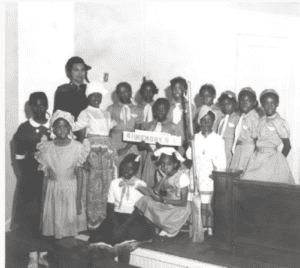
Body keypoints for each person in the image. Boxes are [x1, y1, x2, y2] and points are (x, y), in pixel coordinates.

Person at [88, 153, 154, 264]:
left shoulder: (140, 184)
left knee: (123, 244)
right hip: (115, 217)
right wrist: (116, 225)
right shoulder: (114, 183)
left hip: (132, 219)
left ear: (136, 170)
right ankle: (107, 264)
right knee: (102, 242)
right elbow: (110, 208)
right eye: (123, 168)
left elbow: (138, 210)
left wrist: (122, 227)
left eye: (130, 169)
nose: (126, 171)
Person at [35, 110, 89, 240]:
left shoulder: (77, 147)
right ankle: (56, 250)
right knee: (56, 226)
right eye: (58, 127)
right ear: (53, 129)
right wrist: (42, 199)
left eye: (65, 126)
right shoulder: (47, 148)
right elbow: (45, 176)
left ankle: (69, 250)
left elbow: (80, 175)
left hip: (70, 190)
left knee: (69, 225)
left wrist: (78, 200)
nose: (62, 129)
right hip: (53, 191)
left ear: (70, 128)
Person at [73, 81, 119, 232]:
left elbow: (109, 133)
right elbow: (80, 138)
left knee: (107, 185)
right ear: (88, 97)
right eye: (94, 95)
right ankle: (93, 220)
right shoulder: (85, 113)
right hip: (92, 153)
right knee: (93, 186)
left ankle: (106, 218)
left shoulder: (106, 113)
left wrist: (112, 153)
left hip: (106, 154)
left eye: (99, 96)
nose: (97, 98)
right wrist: (84, 158)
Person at [14, 92, 51, 268]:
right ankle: (32, 255)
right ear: (29, 106)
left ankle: (43, 251)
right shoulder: (24, 128)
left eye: (42, 105)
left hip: (50, 178)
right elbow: (19, 157)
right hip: (31, 179)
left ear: (47, 105)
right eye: (35, 105)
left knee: (46, 215)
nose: (39, 109)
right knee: (31, 216)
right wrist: (23, 177)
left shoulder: (55, 125)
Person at [187, 106, 226, 235]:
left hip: (209, 174)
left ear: (213, 122)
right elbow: (189, 156)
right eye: (203, 120)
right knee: (196, 200)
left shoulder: (217, 139)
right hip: (197, 172)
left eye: (209, 121)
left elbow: (221, 162)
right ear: (199, 121)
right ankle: (197, 227)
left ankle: (209, 227)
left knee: (207, 201)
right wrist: (190, 143)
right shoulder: (195, 137)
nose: (206, 123)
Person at [135, 147, 191, 238]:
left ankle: (172, 228)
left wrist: (163, 200)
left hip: (179, 207)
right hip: (166, 203)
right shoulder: (161, 174)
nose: (165, 167)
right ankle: (165, 226)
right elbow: (155, 191)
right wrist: (163, 178)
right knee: (145, 199)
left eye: (169, 164)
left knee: (164, 207)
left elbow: (183, 202)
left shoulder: (182, 177)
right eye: (162, 164)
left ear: (175, 164)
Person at [243, 89, 295, 184]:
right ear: (262, 104)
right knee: (249, 184)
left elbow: (287, 146)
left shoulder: (280, 122)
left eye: (272, 103)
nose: (269, 106)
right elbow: (256, 139)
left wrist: (279, 161)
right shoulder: (260, 120)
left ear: (277, 104)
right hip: (257, 159)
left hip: (272, 159)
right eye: (266, 103)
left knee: (271, 189)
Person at [138, 98, 179, 187]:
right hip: (150, 158)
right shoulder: (149, 125)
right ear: (154, 110)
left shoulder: (172, 127)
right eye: (158, 109)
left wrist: (164, 147)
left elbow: (176, 147)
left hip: (165, 161)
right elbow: (141, 144)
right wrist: (143, 145)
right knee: (148, 182)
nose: (160, 112)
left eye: (163, 109)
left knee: (162, 183)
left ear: (168, 110)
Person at [53, 56, 91, 139]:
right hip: (69, 133)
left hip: (89, 132)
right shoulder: (63, 90)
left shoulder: (90, 89)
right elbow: (58, 115)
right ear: (70, 72)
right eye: (76, 70)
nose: (80, 73)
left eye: (82, 70)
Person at [107, 82, 143, 166]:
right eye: (120, 92)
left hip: (131, 144)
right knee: (114, 169)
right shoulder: (111, 108)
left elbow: (137, 132)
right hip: (115, 143)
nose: (123, 94)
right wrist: (111, 147)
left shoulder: (138, 110)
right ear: (117, 94)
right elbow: (107, 131)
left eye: (125, 91)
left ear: (130, 92)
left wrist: (126, 148)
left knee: (131, 168)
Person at [229, 87, 260, 171]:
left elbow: (257, 138)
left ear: (254, 103)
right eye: (242, 101)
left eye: (248, 101)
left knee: (243, 173)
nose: (244, 103)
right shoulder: (243, 116)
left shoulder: (253, 117)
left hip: (248, 150)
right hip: (239, 149)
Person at [167, 77, 196, 155]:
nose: (177, 90)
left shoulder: (190, 107)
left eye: (180, 88)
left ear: (185, 90)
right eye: (174, 88)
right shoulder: (167, 106)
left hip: (183, 142)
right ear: (171, 90)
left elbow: (191, 126)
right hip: (168, 141)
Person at [217, 91, 240, 168]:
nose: (225, 107)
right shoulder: (222, 119)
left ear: (234, 104)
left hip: (230, 148)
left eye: (228, 104)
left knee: (229, 166)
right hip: (220, 147)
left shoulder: (237, 118)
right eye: (223, 105)